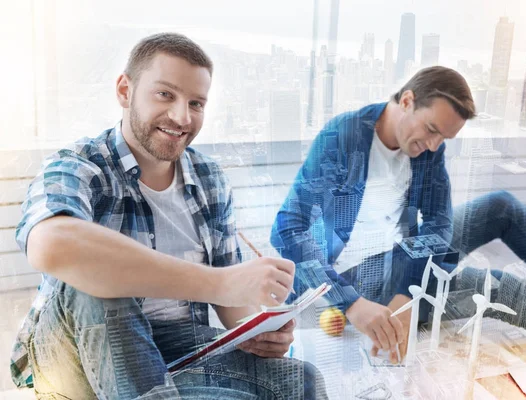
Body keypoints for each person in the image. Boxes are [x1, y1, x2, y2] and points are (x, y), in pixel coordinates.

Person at [11, 32, 326, 400]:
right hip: (76, 352)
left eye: (196, 103)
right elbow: (51, 246)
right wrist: (220, 282)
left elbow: (232, 302)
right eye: (165, 94)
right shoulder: (80, 165)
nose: (182, 117)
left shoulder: (209, 179)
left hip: (177, 347)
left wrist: (258, 329)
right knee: (101, 276)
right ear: (125, 91)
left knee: (300, 380)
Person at [271, 66, 526, 363]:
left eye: (443, 137)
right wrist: (352, 303)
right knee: (487, 287)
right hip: (350, 279)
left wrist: (406, 291)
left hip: (402, 256)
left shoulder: (427, 149)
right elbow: (287, 228)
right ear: (407, 101)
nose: (433, 145)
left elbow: (438, 222)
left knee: (500, 207)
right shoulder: (343, 138)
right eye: (431, 130)